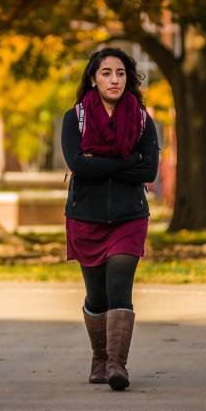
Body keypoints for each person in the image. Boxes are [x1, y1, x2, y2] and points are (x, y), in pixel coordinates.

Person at [61, 47, 160, 391]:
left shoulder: (144, 120)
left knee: (119, 284)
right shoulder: (75, 118)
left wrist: (100, 163)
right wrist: (125, 161)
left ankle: (118, 365)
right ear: (93, 78)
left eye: (120, 73)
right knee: (96, 296)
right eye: (106, 73)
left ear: (128, 78)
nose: (114, 79)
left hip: (129, 217)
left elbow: (148, 170)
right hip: (85, 217)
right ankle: (99, 359)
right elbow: (78, 163)